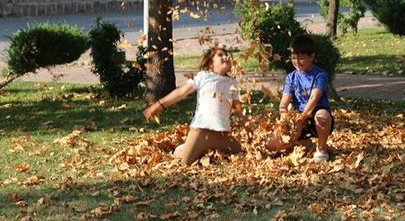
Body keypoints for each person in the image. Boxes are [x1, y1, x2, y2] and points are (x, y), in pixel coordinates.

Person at [143, 45, 249, 165]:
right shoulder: (204, 76)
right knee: (185, 162)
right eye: (220, 55)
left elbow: (237, 108)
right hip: (201, 132)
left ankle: (207, 150)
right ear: (210, 64)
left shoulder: (231, 82)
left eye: (226, 55)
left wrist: (247, 125)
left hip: (221, 135)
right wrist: (159, 104)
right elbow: (181, 92)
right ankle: (182, 149)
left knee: (242, 152)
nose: (225, 57)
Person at [265, 35, 334, 163]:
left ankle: (322, 149)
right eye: (294, 58)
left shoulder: (320, 75)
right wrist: (285, 118)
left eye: (301, 58)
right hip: (297, 119)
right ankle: (306, 144)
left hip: (314, 117)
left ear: (312, 57)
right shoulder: (291, 77)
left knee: (322, 117)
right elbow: (284, 103)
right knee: (270, 145)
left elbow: (313, 99)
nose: (297, 61)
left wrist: (302, 119)